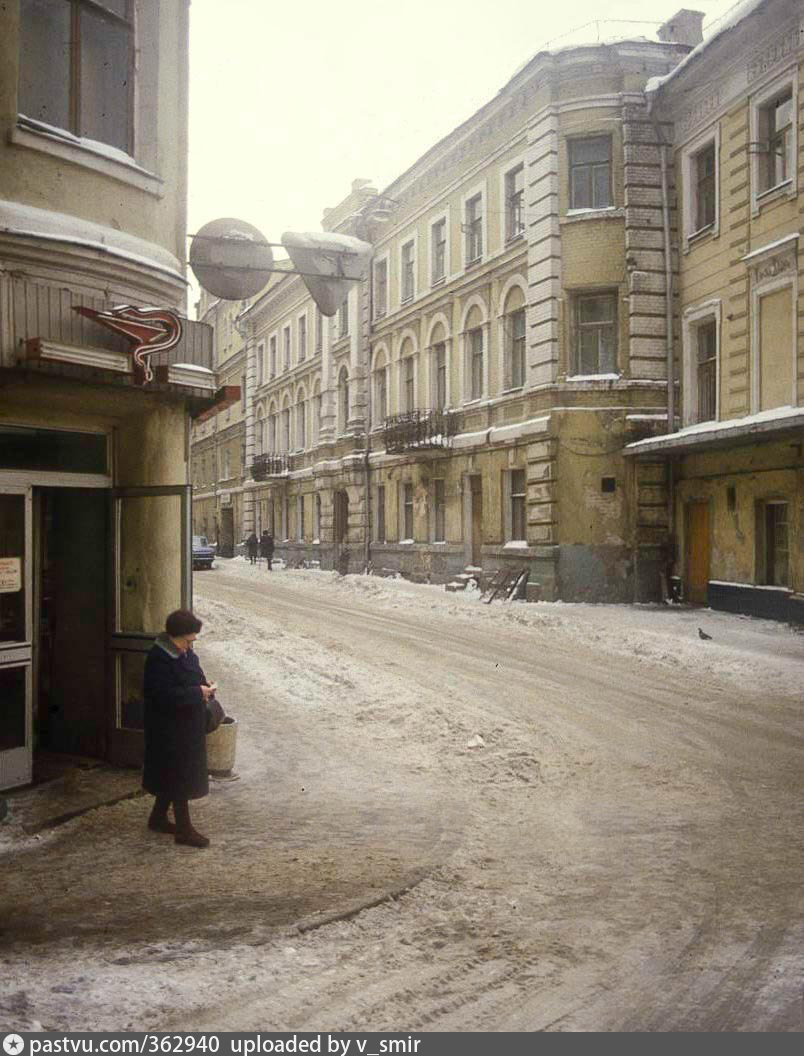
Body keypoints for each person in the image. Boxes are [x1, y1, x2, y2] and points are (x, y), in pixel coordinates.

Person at [143, 609, 216, 848]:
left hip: (186, 723)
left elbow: (195, 676)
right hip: (169, 727)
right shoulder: (159, 658)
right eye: (188, 640)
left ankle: (157, 818)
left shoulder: (185, 653)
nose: (190, 645)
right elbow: (160, 694)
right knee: (179, 774)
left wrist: (206, 687)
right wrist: (197, 692)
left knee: (173, 772)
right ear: (175, 636)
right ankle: (184, 830)